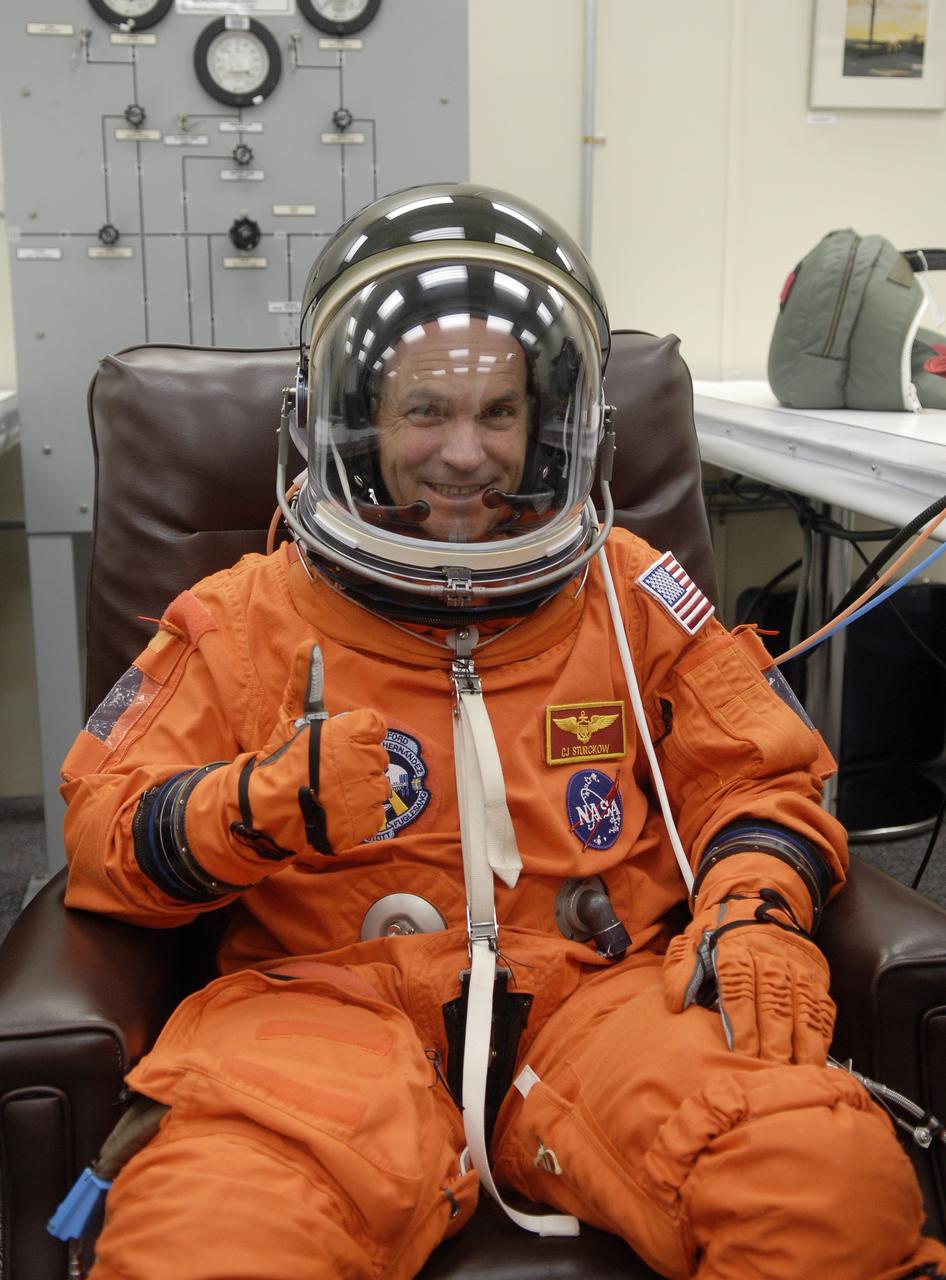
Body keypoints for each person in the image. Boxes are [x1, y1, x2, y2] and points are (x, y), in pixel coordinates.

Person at [59, 182, 946, 1280]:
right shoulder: (245, 617)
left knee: (825, 1184)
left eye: (497, 413)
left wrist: (756, 907)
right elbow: (103, 834)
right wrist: (255, 803)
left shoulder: (628, 595)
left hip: (606, 988)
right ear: (353, 422)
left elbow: (756, 774)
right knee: (210, 1240)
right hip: (325, 1003)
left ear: (557, 426)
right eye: (424, 410)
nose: (464, 452)